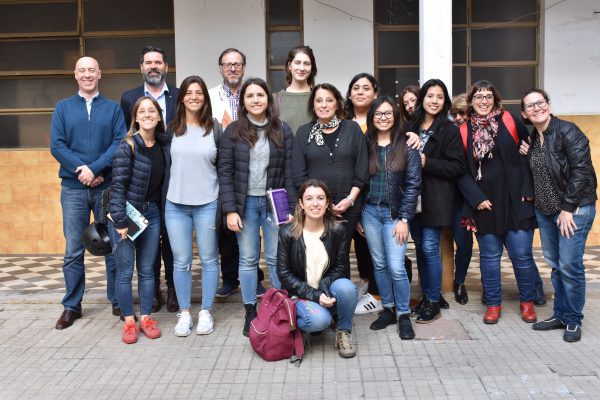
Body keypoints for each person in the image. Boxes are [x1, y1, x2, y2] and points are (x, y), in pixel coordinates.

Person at [50, 56, 126, 330]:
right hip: (73, 189)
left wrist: (95, 169)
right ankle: (72, 306)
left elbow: (119, 143)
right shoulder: (63, 108)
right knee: (73, 249)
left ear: (99, 74)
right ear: (75, 75)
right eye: (82, 70)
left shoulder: (113, 109)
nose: (87, 74)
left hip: (106, 187)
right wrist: (83, 171)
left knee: (112, 246)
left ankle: (118, 300)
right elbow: (57, 146)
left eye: (91, 70)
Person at [218, 78, 296, 337]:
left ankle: (280, 307)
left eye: (260, 95)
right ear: (243, 101)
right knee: (248, 258)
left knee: (276, 258)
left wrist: (291, 207)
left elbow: (289, 172)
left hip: (275, 203)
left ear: (268, 99)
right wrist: (230, 209)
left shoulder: (282, 129)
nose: (255, 100)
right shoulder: (233, 131)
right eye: (249, 96)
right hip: (246, 204)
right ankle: (250, 309)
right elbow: (225, 172)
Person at [459, 80, 538, 325]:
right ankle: (493, 304)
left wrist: (528, 188)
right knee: (490, 257)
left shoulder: (510, 120)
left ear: (495, 100)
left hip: (517, 200)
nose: (483, 101)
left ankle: (527, 303)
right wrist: (476, 198)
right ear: (471, 101)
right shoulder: (463, 130)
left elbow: (531, 153)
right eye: (478, 96)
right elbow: (460, 171)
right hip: (485, 204)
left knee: (521, 255)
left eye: (488, 96)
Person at [520, 88, 597, 342]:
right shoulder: (534, 139)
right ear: (524, 114)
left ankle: (573, 319)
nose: (537, 108)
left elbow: (582, 172)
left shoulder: (568, 131)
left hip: (574, 210)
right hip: (546, 211)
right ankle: (561, 314)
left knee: (569, 265)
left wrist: (567, 209)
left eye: (540, 102)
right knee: (555, 265)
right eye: (530, 106)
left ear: (548, 104)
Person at [120, 45, 180, 313]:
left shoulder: (178, 96)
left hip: (170, 177)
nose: (153, 66)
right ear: (141, 67)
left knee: (171, 240)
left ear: (166, 67)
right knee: (148, 245)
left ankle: (174, 289)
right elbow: (125, 136)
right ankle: (152, 290)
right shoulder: (129, 97)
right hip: (140, 184)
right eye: (148, 62)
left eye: (158, 62)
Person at [359, 96, 421, 339]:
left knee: (396, 266)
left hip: (395, 214)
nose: (383, 118)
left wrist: (404, 218)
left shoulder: (407, 144)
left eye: (388, 113)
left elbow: (414, 184)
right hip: (370, 213)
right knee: (379, 264)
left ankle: (403, 313)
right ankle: (387, 308)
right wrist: (358, 215)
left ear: (395, 116)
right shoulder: (365, 145)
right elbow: (358, 181)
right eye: (378, 114)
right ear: (371, 117)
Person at [108, 96, 168, 344]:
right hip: (127, 215)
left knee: (147, 270)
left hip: (151, 214)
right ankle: (129, 322)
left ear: (159, 116)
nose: (147, 115)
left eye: (151, 110)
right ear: (135, 117)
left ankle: (146, 318)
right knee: (124, 272)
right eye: (141, 111)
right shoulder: (127, 146)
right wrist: (120, 221)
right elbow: (117, 187)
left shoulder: (164, 145)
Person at [163, 76, 220, 336]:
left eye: (199, 92)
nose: (194, 97)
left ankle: (206, 311)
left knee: (209, 259)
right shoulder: (171, 129)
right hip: (175, 205)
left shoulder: (215, 128)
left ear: (205, 98)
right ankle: (184, 312)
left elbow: (223, 166)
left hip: (208, 202)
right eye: (189, 92)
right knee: (181, 261)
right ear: (182, 98)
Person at [277, 179, 359, 358]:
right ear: (301, 203)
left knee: (348, 288)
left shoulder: (338, 230)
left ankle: (344, 331)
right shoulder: (287, 233)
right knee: (319, 321)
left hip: (325, 290)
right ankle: (299, 329)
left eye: (320, 198)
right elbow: (284, 274)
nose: (315, 203)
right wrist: (315, 295)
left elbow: (340, 267)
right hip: (299, 294)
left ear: (327, 202)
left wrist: (323, 292)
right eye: (309, 198)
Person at [406, 79, 465, 323]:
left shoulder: (449, 130)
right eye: (430, 96)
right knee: (420, 247)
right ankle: (429, 294)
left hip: (436, 198)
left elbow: (457, 166)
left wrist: (426, 162)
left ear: (445, 101)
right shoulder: (410, 125)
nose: (434, 101)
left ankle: (432, 300)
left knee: (430, 247)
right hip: (412, 197)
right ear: (422, 99)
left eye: (440, 97)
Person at [293, 83, 368, 271]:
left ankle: (341, 288)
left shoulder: (352, 128)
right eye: (319, 100)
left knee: (341, 256)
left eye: (329, 100)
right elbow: (299, 175)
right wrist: (320, 203)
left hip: (349, 206)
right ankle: (319, 289)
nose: (324, 105)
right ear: (313, 105)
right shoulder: (303, 133)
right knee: (318, 255)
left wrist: (350, 200)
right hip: (315, 207)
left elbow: (362, 169)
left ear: (337, 104)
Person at [209, 48, 264, 298]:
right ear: (220, 68)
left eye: (237, 64)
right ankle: (230, 278)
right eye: (227, 64)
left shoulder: (253, 93)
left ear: (243, 67)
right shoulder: (211, 96)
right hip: (219, 166)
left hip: (249, 167)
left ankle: (255, 279)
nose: (232, 68)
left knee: (251, 227)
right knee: (227, 226)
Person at [342, 73, 384, 315]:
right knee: (359, 244)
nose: (360, 92)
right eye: (356, 87)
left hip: (374, 191)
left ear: (375, 93)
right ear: (349, 94)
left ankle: (378, 294)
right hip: (349, 192)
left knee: (373, 244)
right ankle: (368, 285)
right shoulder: (342, 121)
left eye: (366, 88)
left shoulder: (382, 120)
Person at [449, 93, 473, 305]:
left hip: (478, 196)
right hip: (455, 198)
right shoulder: (451, 132)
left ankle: (461, 281)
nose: (458, 118)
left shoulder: (483, 133)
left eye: (463, 113)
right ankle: (458, 282)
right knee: (462, 241)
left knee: (471, 244)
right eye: (455, 114)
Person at [275, 45, 317, 135]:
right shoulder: (275, 99)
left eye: (306, 63)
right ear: (289, 66)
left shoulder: (319, 97)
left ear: (311, 67)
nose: (302, 68)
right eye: (297, 63)